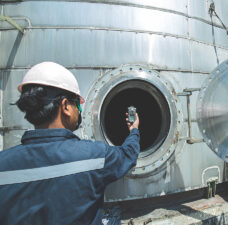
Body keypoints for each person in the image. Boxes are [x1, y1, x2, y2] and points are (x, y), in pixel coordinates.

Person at [0, 62, 140, 225]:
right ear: (66, 106)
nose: (79, 110)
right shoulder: (95, 156)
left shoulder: (3, 164)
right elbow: (128, 154)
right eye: (76, 104)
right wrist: (134, 130)